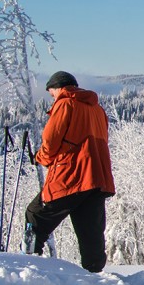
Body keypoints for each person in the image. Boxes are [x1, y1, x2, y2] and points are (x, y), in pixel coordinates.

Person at [26, 71, 116, 272]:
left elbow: (51, 140)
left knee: (36, 215)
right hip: (98, 178)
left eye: (52, 93)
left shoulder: (65, 104)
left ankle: (30, 264)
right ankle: (94, 275)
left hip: (71, 176)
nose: (52, 98)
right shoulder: (97, 110)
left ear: (59, 88)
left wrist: (40, 158)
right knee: (90, 231)